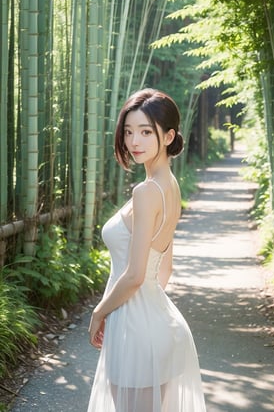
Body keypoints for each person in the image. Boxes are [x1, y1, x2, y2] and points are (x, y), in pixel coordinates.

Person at [87, 88, 207, 412]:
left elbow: (136, 274)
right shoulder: (171, 187)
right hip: (161, 326)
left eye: (144, 132)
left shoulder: (145, 192)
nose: (133, 142)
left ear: (168, 136)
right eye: (128, 132)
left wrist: (100, 313)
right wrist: (146, 313)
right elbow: (162, 269)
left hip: (134, 331)